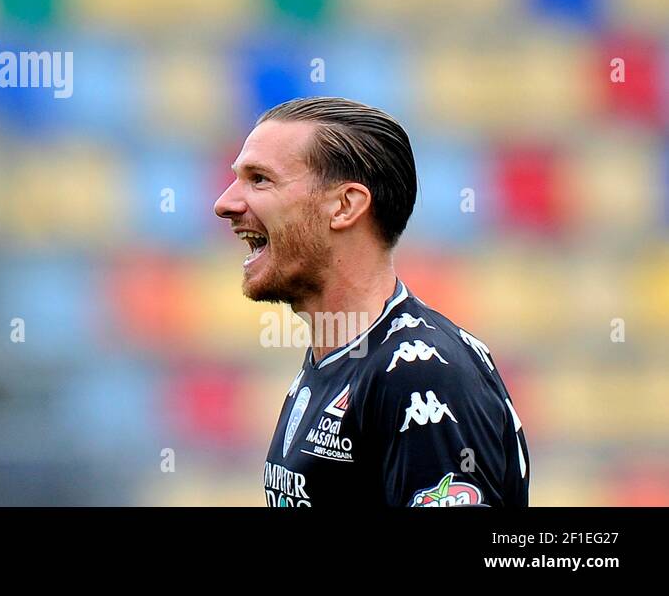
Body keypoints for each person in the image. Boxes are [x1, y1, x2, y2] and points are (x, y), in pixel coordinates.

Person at [213, 97, 528, 507]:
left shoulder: (421, 373)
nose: (225, 203)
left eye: (259, 180)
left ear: (345, 206)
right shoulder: (340, 360)